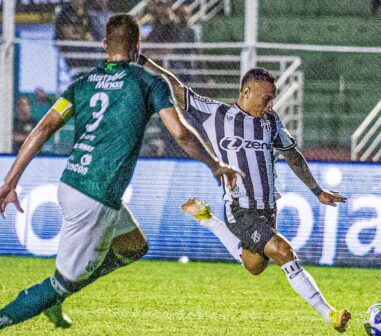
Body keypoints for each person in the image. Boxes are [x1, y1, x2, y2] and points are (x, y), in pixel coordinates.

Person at [0, 14, 241, 330]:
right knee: (61, 282)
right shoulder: (149, 82)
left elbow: (44, 127)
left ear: (104, 46)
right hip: (96, 197)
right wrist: (214, 163)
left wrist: (9, 182)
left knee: (134, 245)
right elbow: (180, 133)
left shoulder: (81, 85)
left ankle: (59, 294)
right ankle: (41, 301)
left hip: (74, 181)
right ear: (138, 46)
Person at [138, 59, 351, 332]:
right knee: (283, 251)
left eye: (272, 99)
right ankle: (329, 313)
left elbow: (292, 156)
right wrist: (145, 62)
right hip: (240, 209)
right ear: (246, 92)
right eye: (266, 99)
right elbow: (177, 88)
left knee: (254, 265)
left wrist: (317, 191)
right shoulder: (217, 114)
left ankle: (207, 219)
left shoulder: (271, 122)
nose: (271, 106)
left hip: (267, 210)